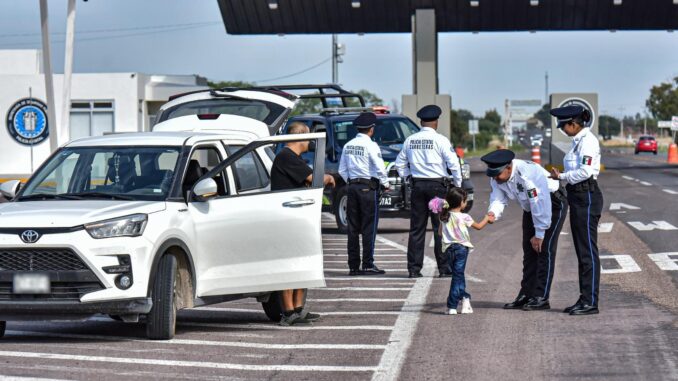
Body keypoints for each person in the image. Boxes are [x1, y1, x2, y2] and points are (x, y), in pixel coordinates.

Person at [481, 149, 568, 311]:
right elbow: (498, 198)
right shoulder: (498, 177)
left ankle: (541, 297)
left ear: (508, 167)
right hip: (530, 208)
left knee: (544, 249)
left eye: (497, 174)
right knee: (529, 251)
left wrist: (540, 233)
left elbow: (539, 203)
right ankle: (526, 294)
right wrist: (493, 212)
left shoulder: (527, 175)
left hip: (551, 203)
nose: (494, 178)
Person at [271, 121, 336, 326]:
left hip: (297, 219)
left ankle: (298, 310)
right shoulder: (286, 157)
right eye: (308, 137)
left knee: (301, 262)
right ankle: (288, 312)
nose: (310, 142)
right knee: (289, 264)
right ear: (300, 137)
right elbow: (311, 178)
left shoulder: (292, 157)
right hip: (287, 219)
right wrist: (329, 178)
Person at [394, 105, 462, 278]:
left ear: (421, 122)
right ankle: (444, 268)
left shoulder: (410, 140)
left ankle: (413, 269)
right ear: (436, 122)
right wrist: (457, 185)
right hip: (437, 189)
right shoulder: (441, 140)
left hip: (417, 187)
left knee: (417, 229)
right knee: (440, 227)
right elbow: (454, 164)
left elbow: (399, 164)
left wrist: (408, 177)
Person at [549, 105, 603, 316]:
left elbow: (586, 171)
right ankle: (584, 298)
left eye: (563, 125)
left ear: (573, 123)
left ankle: (590, 301)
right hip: (578, 195)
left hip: (587, 195)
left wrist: (561, 177)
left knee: (588, 250)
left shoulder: (588, 142)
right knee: (582, 251)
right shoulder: (577, 142)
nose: (562, 129)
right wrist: (563, 175)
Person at [338, 112, 390, 276]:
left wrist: (352, 182)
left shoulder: (348, 145)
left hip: (352, 188)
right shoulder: (371, 145)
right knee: (369, 228)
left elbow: (341, 170)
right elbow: (379, 166)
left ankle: (353, 266)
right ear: (371, 129)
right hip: (368, 189)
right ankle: (368, 264)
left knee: (352, 228)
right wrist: (386, 183)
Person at [428, 188, 493, 315]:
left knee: (458, 275)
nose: (466, 203)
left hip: (448, 249)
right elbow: (479, 226)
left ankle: (465, 299)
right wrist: (487, 218)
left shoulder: (444, 216)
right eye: (465, 201)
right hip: (461, 249)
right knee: (457, 276)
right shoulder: (465, 216)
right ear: (461, 202)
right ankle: (452, 305)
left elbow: (440, 232)